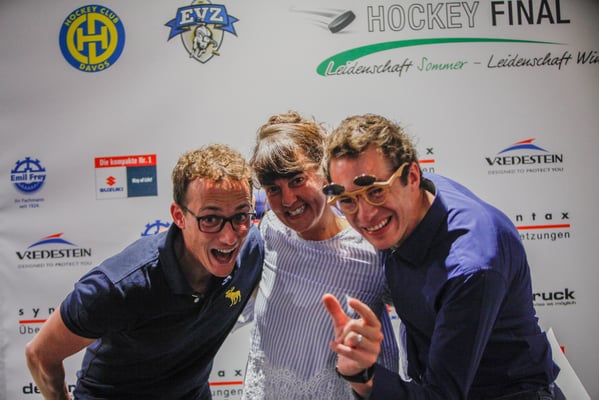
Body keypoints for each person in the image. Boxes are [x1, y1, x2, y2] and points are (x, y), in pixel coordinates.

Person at [321, 114, 562, 399]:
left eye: (376, 192)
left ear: (412, 177)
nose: (365, 215)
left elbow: (441, 396)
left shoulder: (470, 267)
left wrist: (363, 376)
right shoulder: (417, 196)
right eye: (347, 200)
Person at [25, 144, 264, 400]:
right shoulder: (119, 285)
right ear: (179, 216)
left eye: (241, 216)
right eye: (210, 219)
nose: (229, 237)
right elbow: (39, 355)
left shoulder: (252, 250)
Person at [242, 111, 400, 399]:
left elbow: (422, 320)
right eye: (273, 189)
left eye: (297, 180)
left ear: (324, 172)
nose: (288, 200)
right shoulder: (270, 229)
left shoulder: (372, 249)